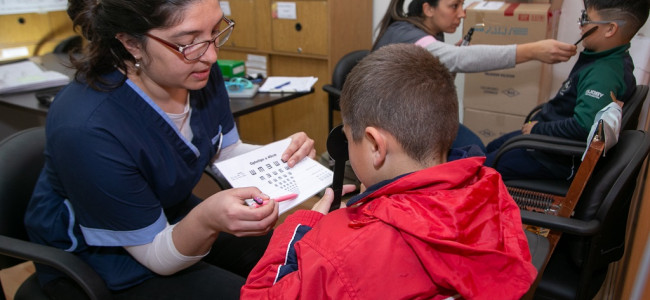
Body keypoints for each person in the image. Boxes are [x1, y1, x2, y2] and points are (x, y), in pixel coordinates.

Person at [24, 0, 316, 299]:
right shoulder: (88, 127)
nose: (212, 55)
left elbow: (225, 151)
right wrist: (206, 219)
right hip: (104, 255)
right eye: (188, 42)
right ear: (131, 43)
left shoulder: (195, 70)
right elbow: (157, 257)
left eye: (215, 31)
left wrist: (283, 155)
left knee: (299, 261)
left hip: (170, 211)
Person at [241, 44, 537, 300]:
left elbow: (258, 293)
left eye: (348, 138)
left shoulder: (338, 251)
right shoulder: (491, 190)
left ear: (374, 145)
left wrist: (304, 224)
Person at [373, 0, 578, 151]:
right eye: (454, 6)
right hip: (394, 126)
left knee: (476, 148)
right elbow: (460, 59)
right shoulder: (404, 33)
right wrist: (532, 51)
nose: (462, 14)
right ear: (428, 9)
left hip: (413, 119)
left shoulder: (428, 35)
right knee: (472, 153)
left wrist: (445, 62)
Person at [484, 0, 650, 181]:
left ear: (610, 29)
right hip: (546, 141)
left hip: (553, 157)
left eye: (586, 19)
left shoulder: (603, 74)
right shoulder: (611, 58)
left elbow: (584, 127)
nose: (581, 25)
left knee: (482, 168)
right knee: (491, 147)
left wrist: (538, 129)